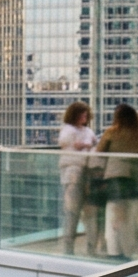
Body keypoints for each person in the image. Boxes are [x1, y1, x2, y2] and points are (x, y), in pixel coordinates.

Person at [96, 104, 138, 258]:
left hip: (118, 176)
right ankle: (132, 251)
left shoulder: (112, 132)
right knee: (132, 216)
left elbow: (99, 152)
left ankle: (114, 251)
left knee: (114, 215)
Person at [56, 102, 99, 254]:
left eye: (86, 114)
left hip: (89, 172)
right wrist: (83, 145)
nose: (84, 117)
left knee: (91, 212)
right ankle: (68, 249)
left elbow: (93, 144)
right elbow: (66, 142)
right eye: (81, 114)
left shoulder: (88, 131)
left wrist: (85, 145)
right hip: (73, 172)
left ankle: (92, 249)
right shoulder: (67, 130)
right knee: (72, 212)